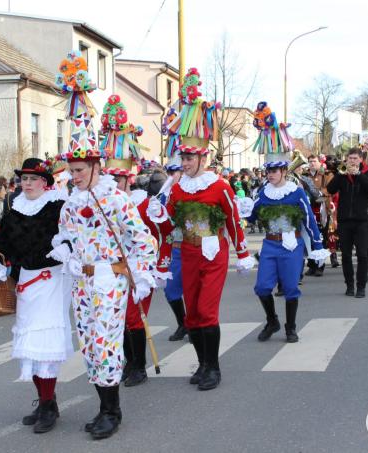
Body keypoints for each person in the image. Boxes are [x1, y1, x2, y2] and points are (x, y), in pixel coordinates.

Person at [55, 54, 158, 440]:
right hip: (82, 283)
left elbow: (142, 237)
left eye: (80, 170)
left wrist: (142, 272)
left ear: (97, 166)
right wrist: (64, 253)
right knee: (90, 347)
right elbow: (64, 235)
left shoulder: (114, 198)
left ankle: (111, 412)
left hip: (110, 280)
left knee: (105, 343)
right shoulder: (70, 201)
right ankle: (104, 405)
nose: (74, 176)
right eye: (71, 170)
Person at [162, 68, 256, 391]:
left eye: (188, 158)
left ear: (202, 157)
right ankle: (202, 363)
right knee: (191, 315)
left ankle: (213, 367)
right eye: (182, 158)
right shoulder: (177, 188)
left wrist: (242, 252)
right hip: (187, 251)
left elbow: (232, 219)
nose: (183, 163)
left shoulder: (219, 187)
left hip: (214, 253)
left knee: (205, 310)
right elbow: (167, 222)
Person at [0, 157, 73, 434]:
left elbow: (72, 236)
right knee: (29, 340)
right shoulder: (14, 207)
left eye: (32, 179)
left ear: (45, 182)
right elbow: (3, 244)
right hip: (26, 279)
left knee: (44, 340)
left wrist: (66, 248)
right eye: (24, 179)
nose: (27, 184)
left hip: (52, 278)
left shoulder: (58, 206)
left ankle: (49, 403)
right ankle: (45, 402)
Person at [99, 96, 172, 388]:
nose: (115, 183)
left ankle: (138, 365)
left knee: (132, 316)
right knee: (117, 318)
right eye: (111, 177)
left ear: (129, 178)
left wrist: (156, 265)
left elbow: (162, 233)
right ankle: (129, 361)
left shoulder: (143, 204)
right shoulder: (104, 203)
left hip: (139, 267)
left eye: (119, 178)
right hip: (115, 268)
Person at [246, 103, 329, 342]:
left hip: (292, 245)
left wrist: (317, 245)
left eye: (274, 170)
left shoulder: (295, 192)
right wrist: (245, 210)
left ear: (284, 170)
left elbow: (309, 219)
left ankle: (290, 326)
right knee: (262, 287)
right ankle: (272, 320)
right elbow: (252, 217)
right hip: (270, 245)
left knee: (291, 288)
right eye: (268, 170)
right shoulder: (262, 192)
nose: (270, 174)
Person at [325, 147, 368, 298]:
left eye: (355, 158)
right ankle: (349, 285)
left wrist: (359, 175)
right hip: (344, 220)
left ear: (361, 160)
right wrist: (339, 174)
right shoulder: (342, 174)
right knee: (346, 255)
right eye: (350, 158)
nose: (352, 161)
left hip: (363, 220)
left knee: (362, 254)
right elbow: (330, 189)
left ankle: (361, 287)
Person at [157, 156, 188, 341]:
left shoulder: (192, 190)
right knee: (171, 290)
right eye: (168, 172)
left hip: (194, 247)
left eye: (173, 172)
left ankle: (194, 326)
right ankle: (182, 324)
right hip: (174, 247)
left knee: (194, 290)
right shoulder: (163, 194)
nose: (170, 175)